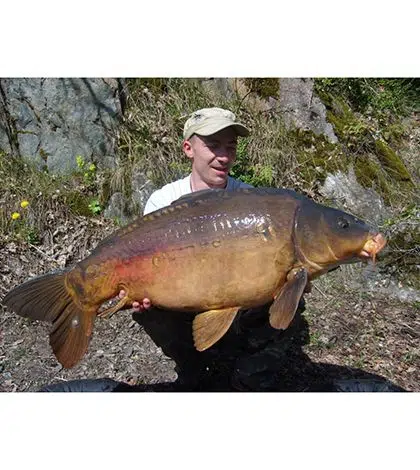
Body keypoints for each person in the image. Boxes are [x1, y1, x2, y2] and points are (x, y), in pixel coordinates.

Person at [119, 107, 253, 311]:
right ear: (188, 148)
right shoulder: (163, 201)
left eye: (231, 147)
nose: (224, 157)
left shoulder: (249, 200)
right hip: (178, 302)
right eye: (213, 146)